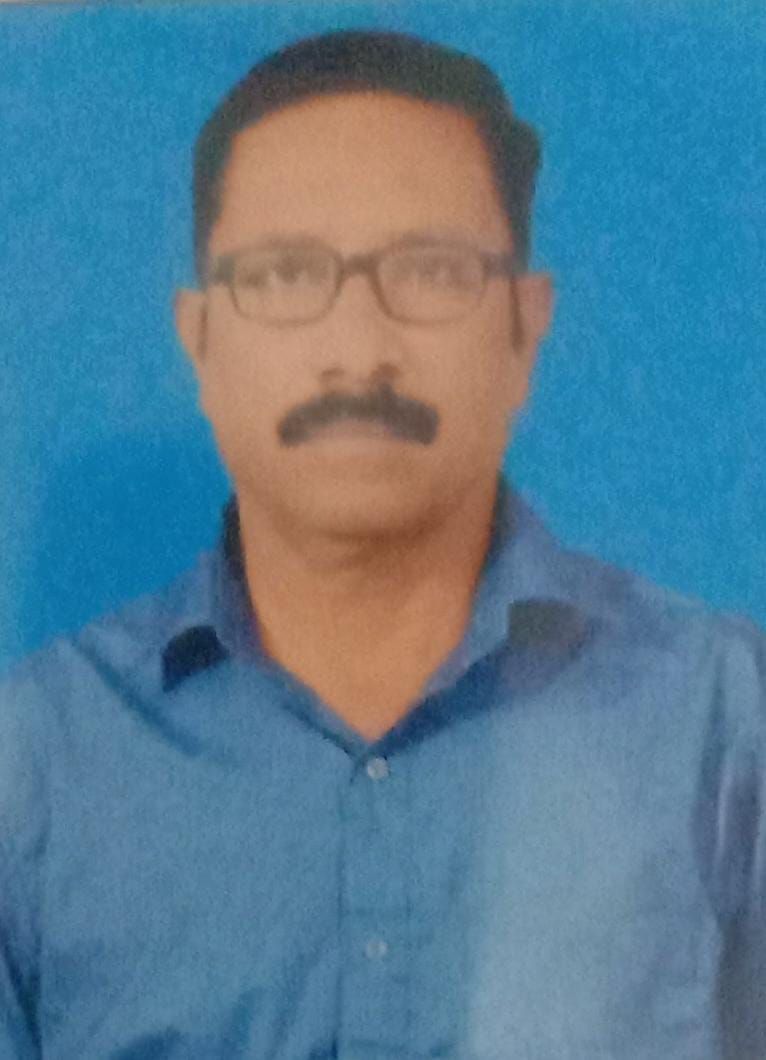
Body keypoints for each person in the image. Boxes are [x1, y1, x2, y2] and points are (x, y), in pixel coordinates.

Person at [1, 28, 764, 1060]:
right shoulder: (35, 765)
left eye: (433, 271)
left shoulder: (726, 726)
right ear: (200, 338)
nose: (358, 353)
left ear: (524, 327)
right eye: (283, 275)